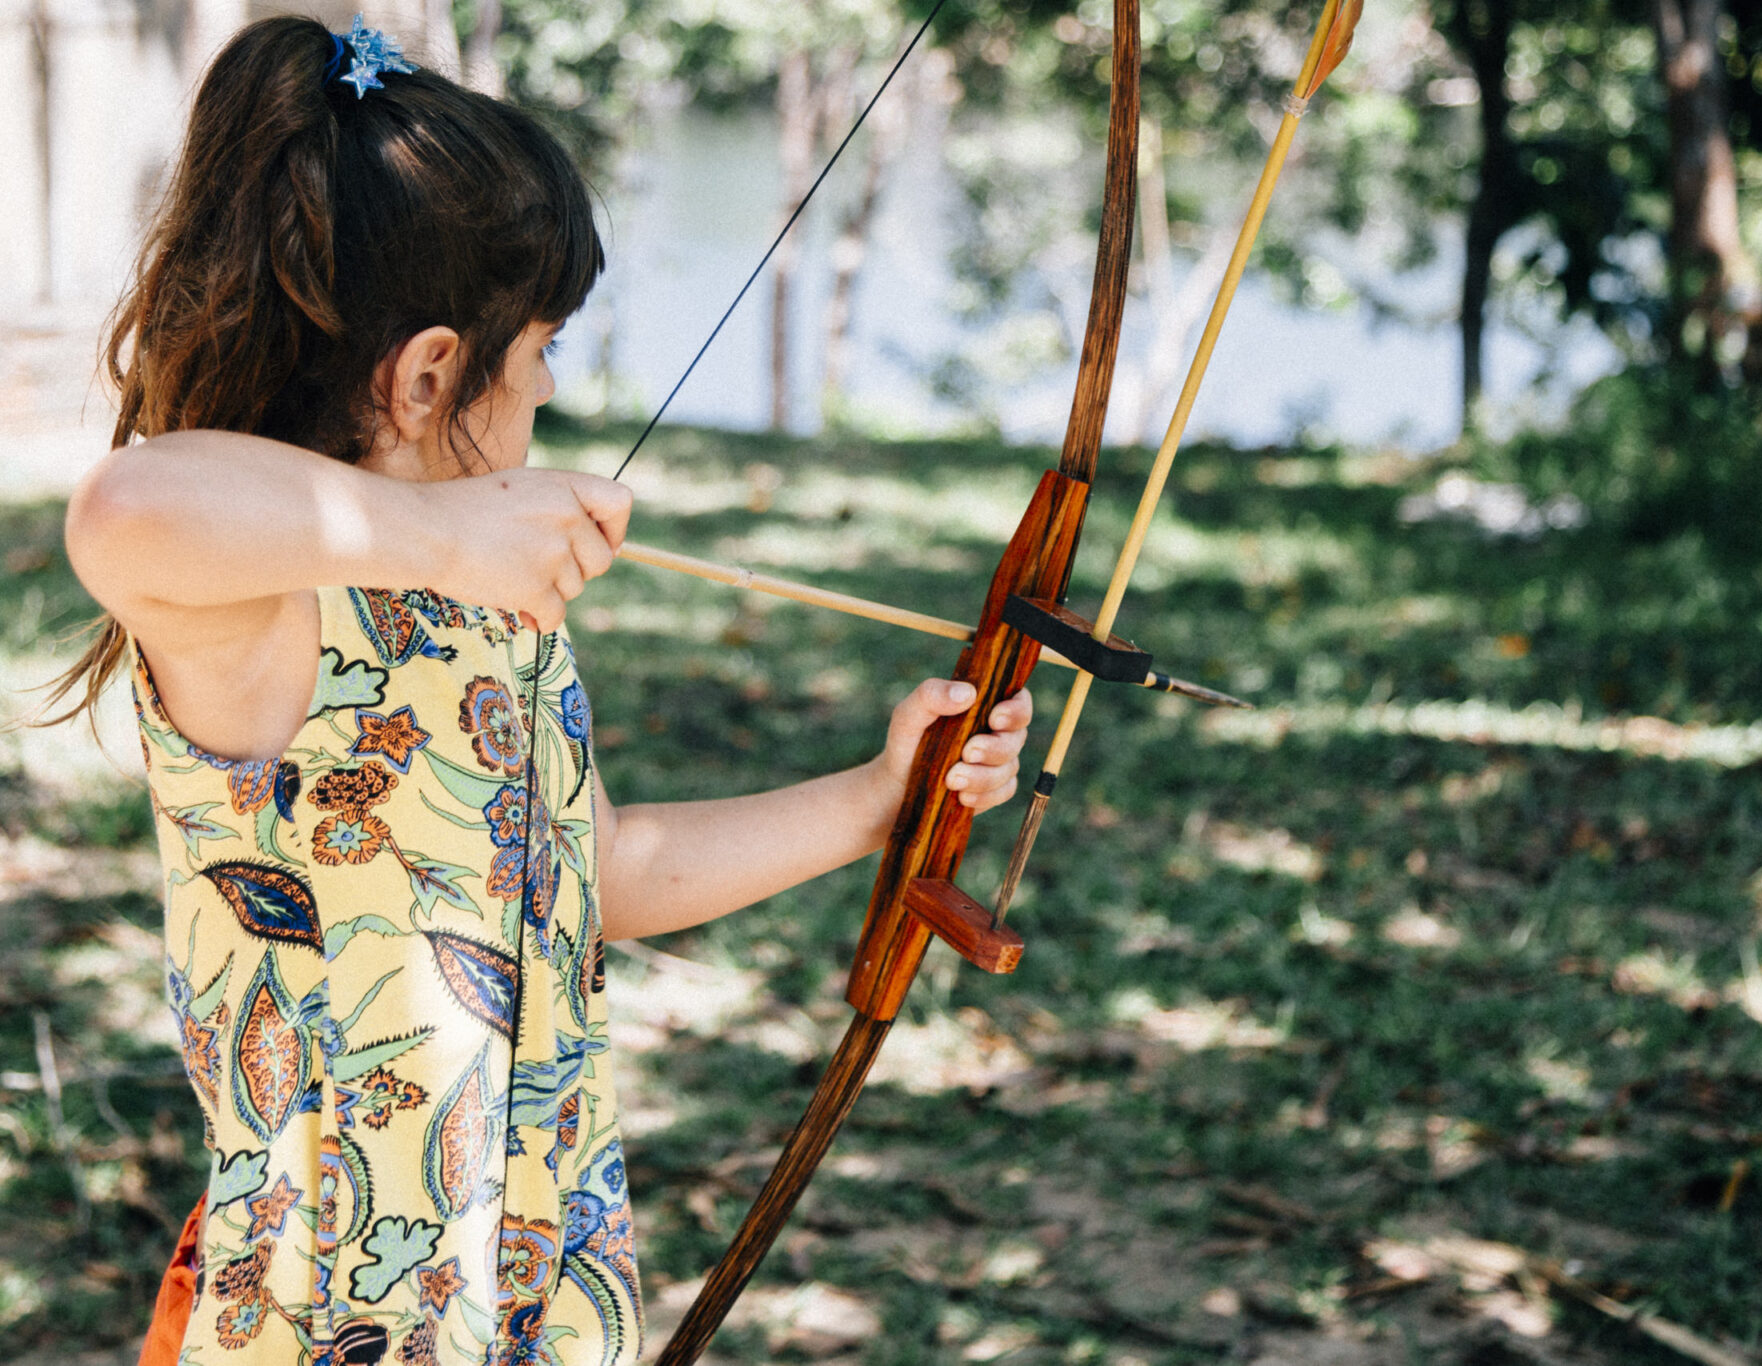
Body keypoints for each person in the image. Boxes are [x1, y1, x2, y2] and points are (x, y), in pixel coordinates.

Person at [50, 15, 1031, 1365]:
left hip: (523, 1307)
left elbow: (603, 868)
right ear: (430, 372)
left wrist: (881, 795)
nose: (557, 386)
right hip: (333, 1321)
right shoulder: (261, 624)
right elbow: (122, 509)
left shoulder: (485, 613)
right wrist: (441, 535)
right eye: (545, 347)